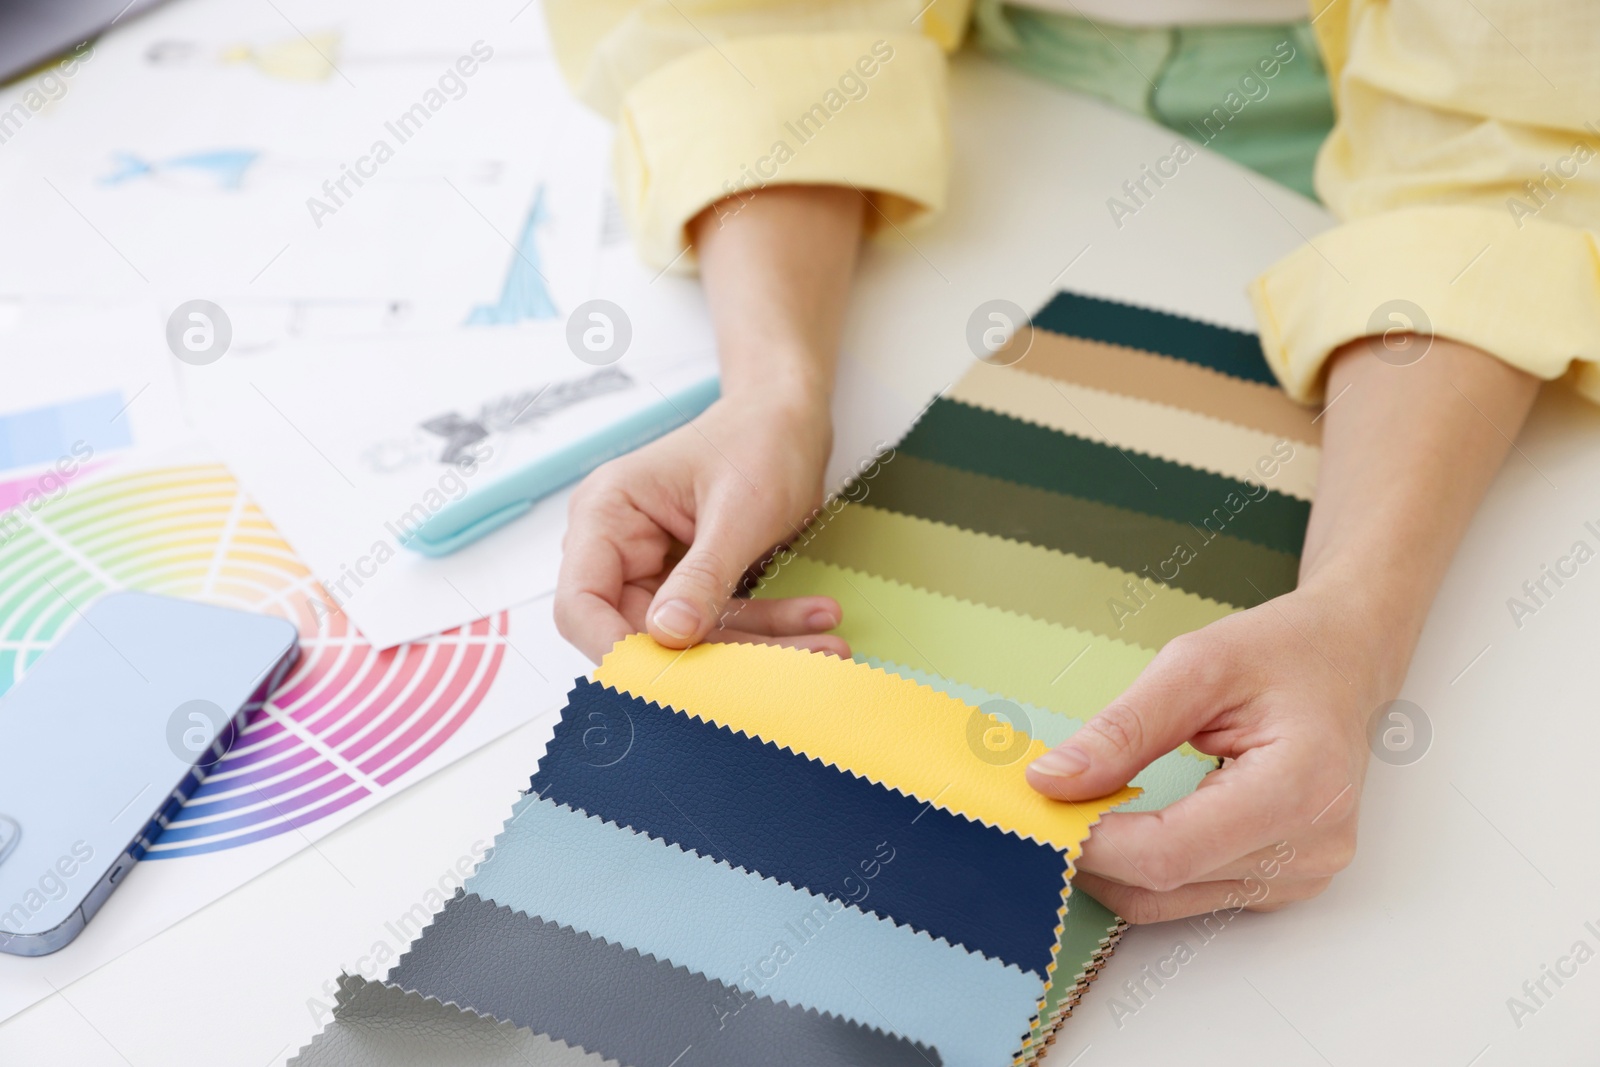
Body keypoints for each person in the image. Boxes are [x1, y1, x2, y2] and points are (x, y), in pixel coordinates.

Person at [544, 1, 1599, 922]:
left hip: (1355, 141)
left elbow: (1510, 164)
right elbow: (757, 17)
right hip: (967, 97)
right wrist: (771, 391)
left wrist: (1358, 617)